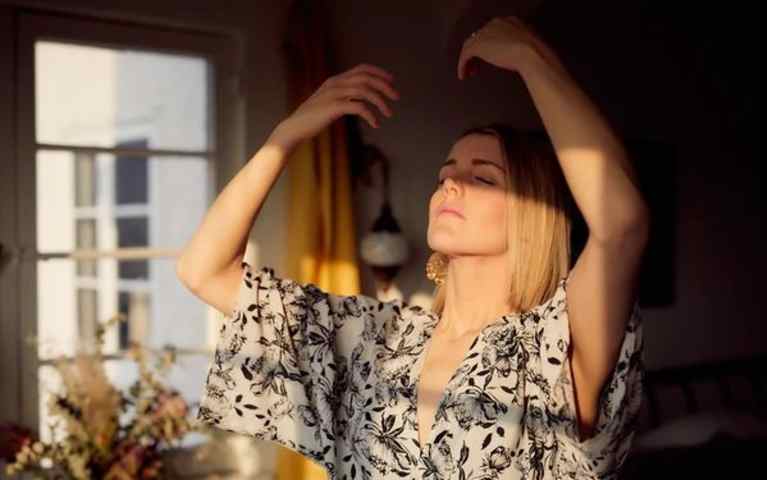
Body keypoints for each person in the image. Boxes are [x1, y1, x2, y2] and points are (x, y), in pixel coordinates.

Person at [178, 15, 649, 480]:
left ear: (533, 213)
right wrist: (286, 136)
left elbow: (622, 225)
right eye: (445, 175)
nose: (451, 185)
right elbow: (203, 271)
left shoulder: (553, 344)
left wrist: (533, 60)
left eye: (483, 178)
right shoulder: (376, 340)